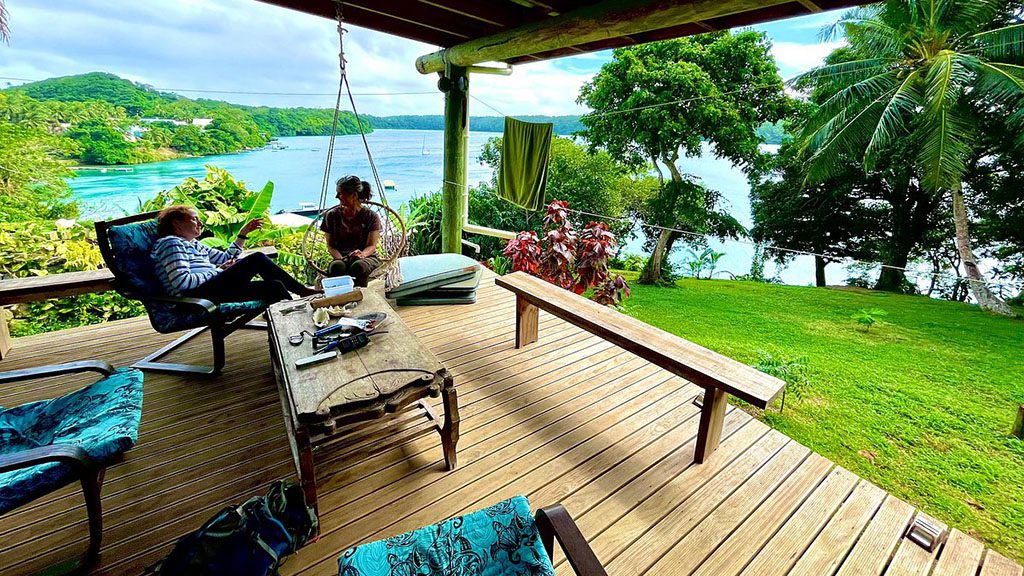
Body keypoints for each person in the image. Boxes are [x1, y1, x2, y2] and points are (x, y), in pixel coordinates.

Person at [151, 205, 319, 305]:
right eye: (194, 219)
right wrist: (218, 271)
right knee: (257, 259)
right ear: (177, 223)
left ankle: (291, 321)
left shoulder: (194, 244)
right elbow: (182, 282)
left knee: (274, 286)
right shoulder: (171, 243)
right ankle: (302, 291)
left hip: (212, 288)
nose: (200, 223)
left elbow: (225, 258)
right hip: (195, 297)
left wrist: (242, 234)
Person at [321, 175, 382, 287]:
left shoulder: (371, 216)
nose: (336, 196)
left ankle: (360, 295)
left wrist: (361, 255)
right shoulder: (332, 216)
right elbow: (331, 246)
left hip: (367, 257)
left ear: (353, 195)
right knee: (337, 266)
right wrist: (343, 259)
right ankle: (340, 297)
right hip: (341, 256)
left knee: (358, 266)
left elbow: (371, 246)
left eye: (340, 193)